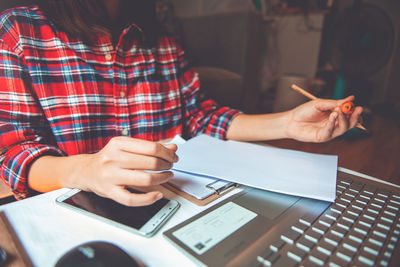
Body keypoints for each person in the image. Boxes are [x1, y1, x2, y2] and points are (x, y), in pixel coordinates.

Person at [0, 0, 362, 207]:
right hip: (76, 212)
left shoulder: (161, 39)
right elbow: (12, 154)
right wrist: (81, 171)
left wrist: (287, 123)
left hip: (180, 202)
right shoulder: (19, 32)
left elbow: (198, 116)